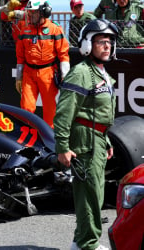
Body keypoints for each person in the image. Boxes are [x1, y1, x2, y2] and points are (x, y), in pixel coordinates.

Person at [54, 19, 118, 250]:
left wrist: (107, 139)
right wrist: (62, 146)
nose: (107, 46)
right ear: (87, 44)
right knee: (89, 194)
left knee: (95, 193)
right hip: (84, 139)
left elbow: (98, 112)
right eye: (101, 41)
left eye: (110, 42)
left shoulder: (101, 73)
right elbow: (64, 113)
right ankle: (88, 244)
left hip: (98, 139)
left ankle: (79, 241)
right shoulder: (80, 73)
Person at [15, 0, 70, 128]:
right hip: (29, 73)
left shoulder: (54, 29)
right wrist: (19, 77)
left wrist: (65, 77)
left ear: (42, 13)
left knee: (50, 111)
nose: (29, 15)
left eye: (33, 12)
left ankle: (50, 141)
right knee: (26, 108)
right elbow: (20, 56)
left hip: (48, 73)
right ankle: (27, 138)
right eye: (29, 12)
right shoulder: (25, 30)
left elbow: (64, 55)